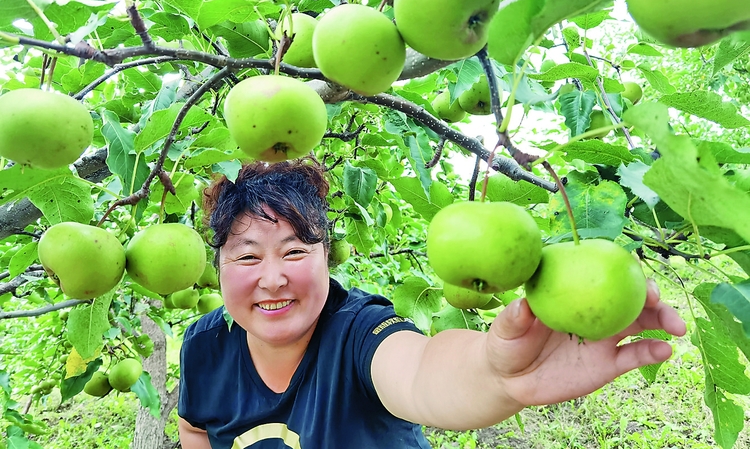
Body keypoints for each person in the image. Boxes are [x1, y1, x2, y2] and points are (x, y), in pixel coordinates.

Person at [178, 160, 686, 449]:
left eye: (294, 251)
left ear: (327, 258)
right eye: (247, 257)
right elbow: (194, 425)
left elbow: (420, 372)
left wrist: (495, 374)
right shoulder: (204, 346)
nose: (273, 278)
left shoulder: (359, 332)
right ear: (216, 264)